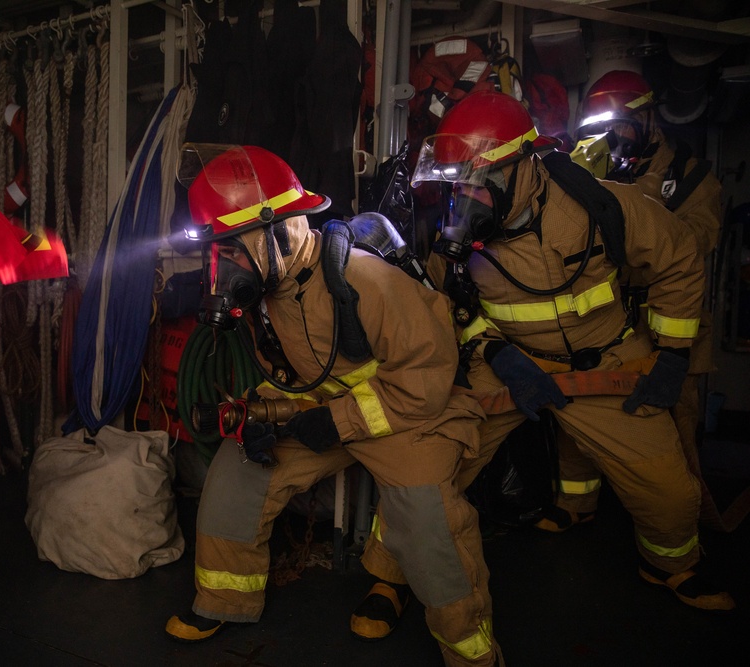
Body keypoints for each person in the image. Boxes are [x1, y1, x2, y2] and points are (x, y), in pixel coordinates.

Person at [386, 89, 732, 615]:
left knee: (669, 494)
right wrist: (493, 350)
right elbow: (442, 306)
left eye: (479, 183)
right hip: (506, 364)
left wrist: (673, 355)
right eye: (457, 186)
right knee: (426, 467)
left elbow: (680, 257)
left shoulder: (601, 205)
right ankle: (388, 573)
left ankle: (669, 564)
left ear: (523, 167)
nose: (465, 202)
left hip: (607, 361)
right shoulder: (456, 239)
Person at [164, 144, 502, 667]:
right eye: (218, 251)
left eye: (231, 249)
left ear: (279, 230)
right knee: (238, 471)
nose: (223, 266)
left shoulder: (367, 281)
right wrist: (264, 411)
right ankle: (224, 599)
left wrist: (339, 419)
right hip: (322, 411)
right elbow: (295, 374)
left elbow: (426, 379)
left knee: (425, 518)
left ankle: (469, 650)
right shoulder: (270, 288)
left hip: (408, 414)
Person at [538, 70, 724, 533]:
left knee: (674, 426)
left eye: (619, 123)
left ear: (645, 118)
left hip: (669, 325)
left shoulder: (688, 174)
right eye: (600, 126)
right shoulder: (587, 173)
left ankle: (684, 522)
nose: (610, 136)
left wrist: (632, 203)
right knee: (580, 411)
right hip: (607, 320)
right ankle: (576, 504)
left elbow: (696, 241)